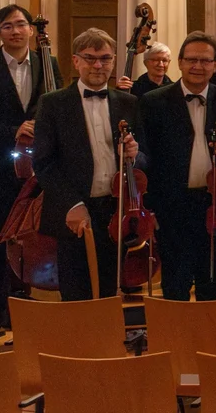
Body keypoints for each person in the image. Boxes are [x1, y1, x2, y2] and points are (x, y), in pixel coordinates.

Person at [0, 5, 59, 331]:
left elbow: (60, 110)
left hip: (40, 168)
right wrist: (13, 130)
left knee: (33, 238)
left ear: (31, 29)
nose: (15, 31)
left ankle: (26, 305)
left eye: (21, 24)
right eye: (7, 26)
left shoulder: (50, 64)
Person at [138, 32, 216, 301]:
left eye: (205, 60)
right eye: (191, 60)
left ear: (215, 64)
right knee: (175, 283)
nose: (198, 66)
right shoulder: (154, 102)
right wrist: (150, 206)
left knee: (212, 283)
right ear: (179, 62)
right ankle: (176, 343)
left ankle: (207, 342)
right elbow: (147, 156)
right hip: (173, 206)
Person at [30, 28, 140, 300]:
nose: (98, 65)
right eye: (90, 58)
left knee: (109, 288)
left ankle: (108, 341)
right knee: (75, 291)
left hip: (115, 210)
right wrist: (72, 205)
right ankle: (78, 343)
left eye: (105, 58)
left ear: (114, 61)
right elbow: (43, 164)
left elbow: (144, 156)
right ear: (76, 61)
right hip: (73, 211)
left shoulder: (128, 103)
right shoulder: (52, 104)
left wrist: (135, 154)